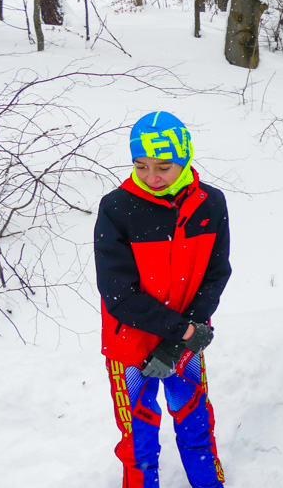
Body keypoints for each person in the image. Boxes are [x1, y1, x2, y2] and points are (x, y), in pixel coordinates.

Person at [94, 111, 231, 488]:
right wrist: (182, 330)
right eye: (141, 166)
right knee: (139, 441)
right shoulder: (117, 208)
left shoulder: (210, 203)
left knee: (195, 425)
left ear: (185, 158)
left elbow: (216, 274)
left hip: (185, 339)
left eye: (163, 167)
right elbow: (119, 294)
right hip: (131, 345)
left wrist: (185, 335)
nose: (151, 177)